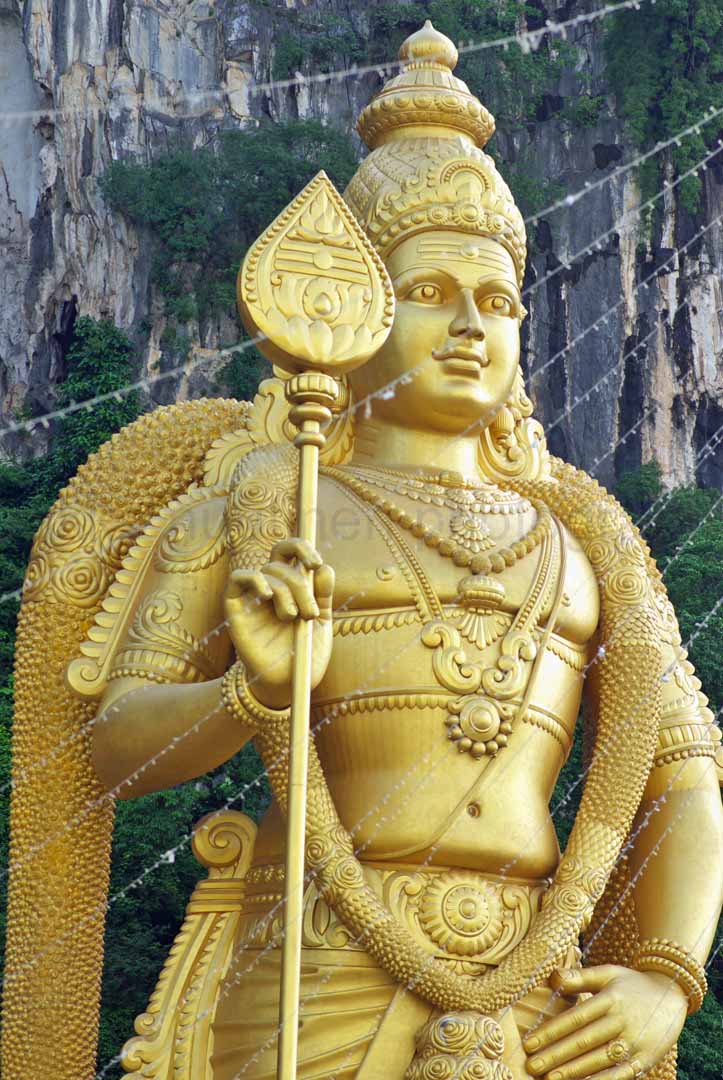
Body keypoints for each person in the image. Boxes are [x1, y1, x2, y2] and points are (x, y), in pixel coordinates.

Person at [4, 21, 721, 1080]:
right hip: (315, 968)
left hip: (536, 987)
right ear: (355, 307)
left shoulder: (586, 537)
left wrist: (666, 973)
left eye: (497, 301)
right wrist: (249, 694)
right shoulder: (269, 504)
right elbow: (110, 744)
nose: (470, 325)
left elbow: (684, 774)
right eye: (430, 292)